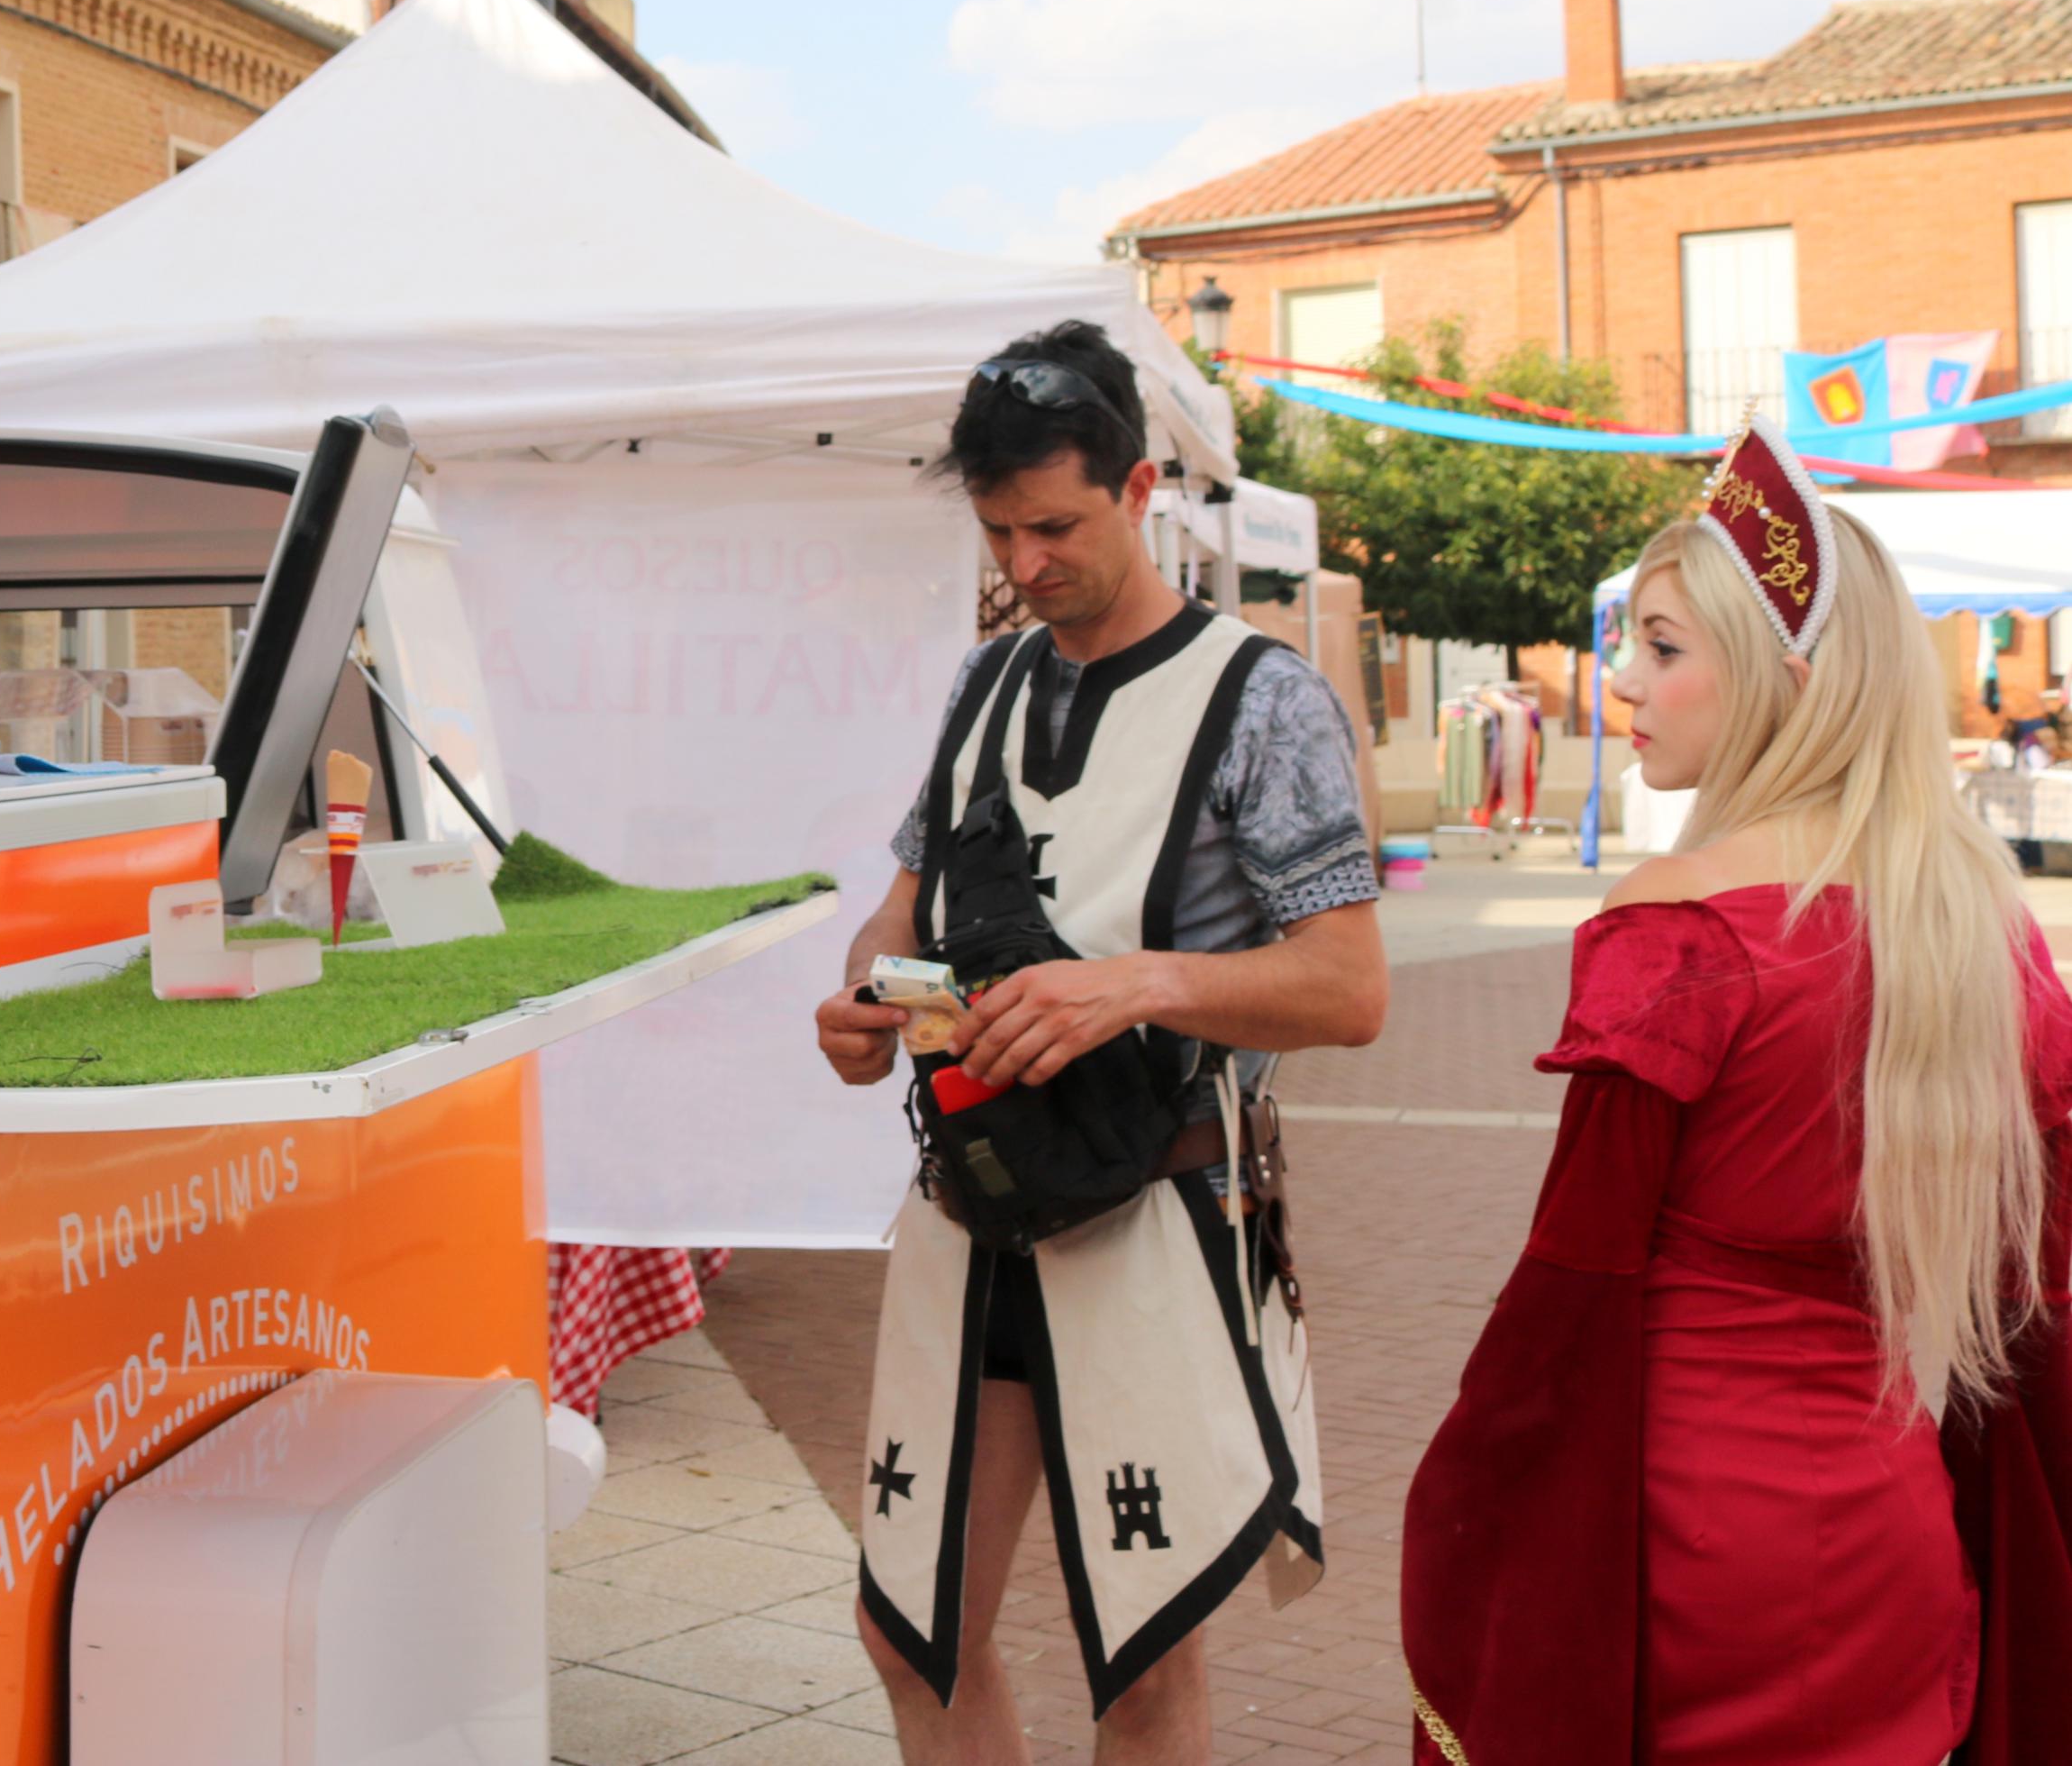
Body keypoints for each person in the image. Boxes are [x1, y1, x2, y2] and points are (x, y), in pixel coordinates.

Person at [1401, 423, 2072, 1764]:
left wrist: (1473, 1520)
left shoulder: (1677, 922)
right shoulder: (1976, 926)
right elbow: (2040, 1284)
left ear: (1784, 681)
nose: (1620, 681)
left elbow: (1568, 1292)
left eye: (1661, 646)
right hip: (1887, 1524)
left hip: (1674, 1531)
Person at [812, 319, 1387, 1763]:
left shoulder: (1261, 697)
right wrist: (866, 1009)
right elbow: (896, 918)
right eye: (999, 530)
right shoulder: (981, 682)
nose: (1024, 562)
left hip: (1157, 1213)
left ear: (1140, 493)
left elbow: (1346, 989)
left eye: (1055, 523)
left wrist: (1131, 986)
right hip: (975, 1204)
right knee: (905, 1623)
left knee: (1135, 1649)